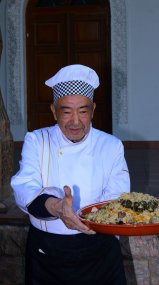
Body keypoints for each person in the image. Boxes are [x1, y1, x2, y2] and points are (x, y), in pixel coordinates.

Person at [11, 64, 130, 285]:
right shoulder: (38, 141)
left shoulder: (111, 145)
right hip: (47, 252)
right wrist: (56, 207)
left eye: (83, 111)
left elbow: (117, 198)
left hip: (99, 249)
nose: (75, 121)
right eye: (66, 112)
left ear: (93, 109)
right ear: (54, 111)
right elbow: (24, 187)